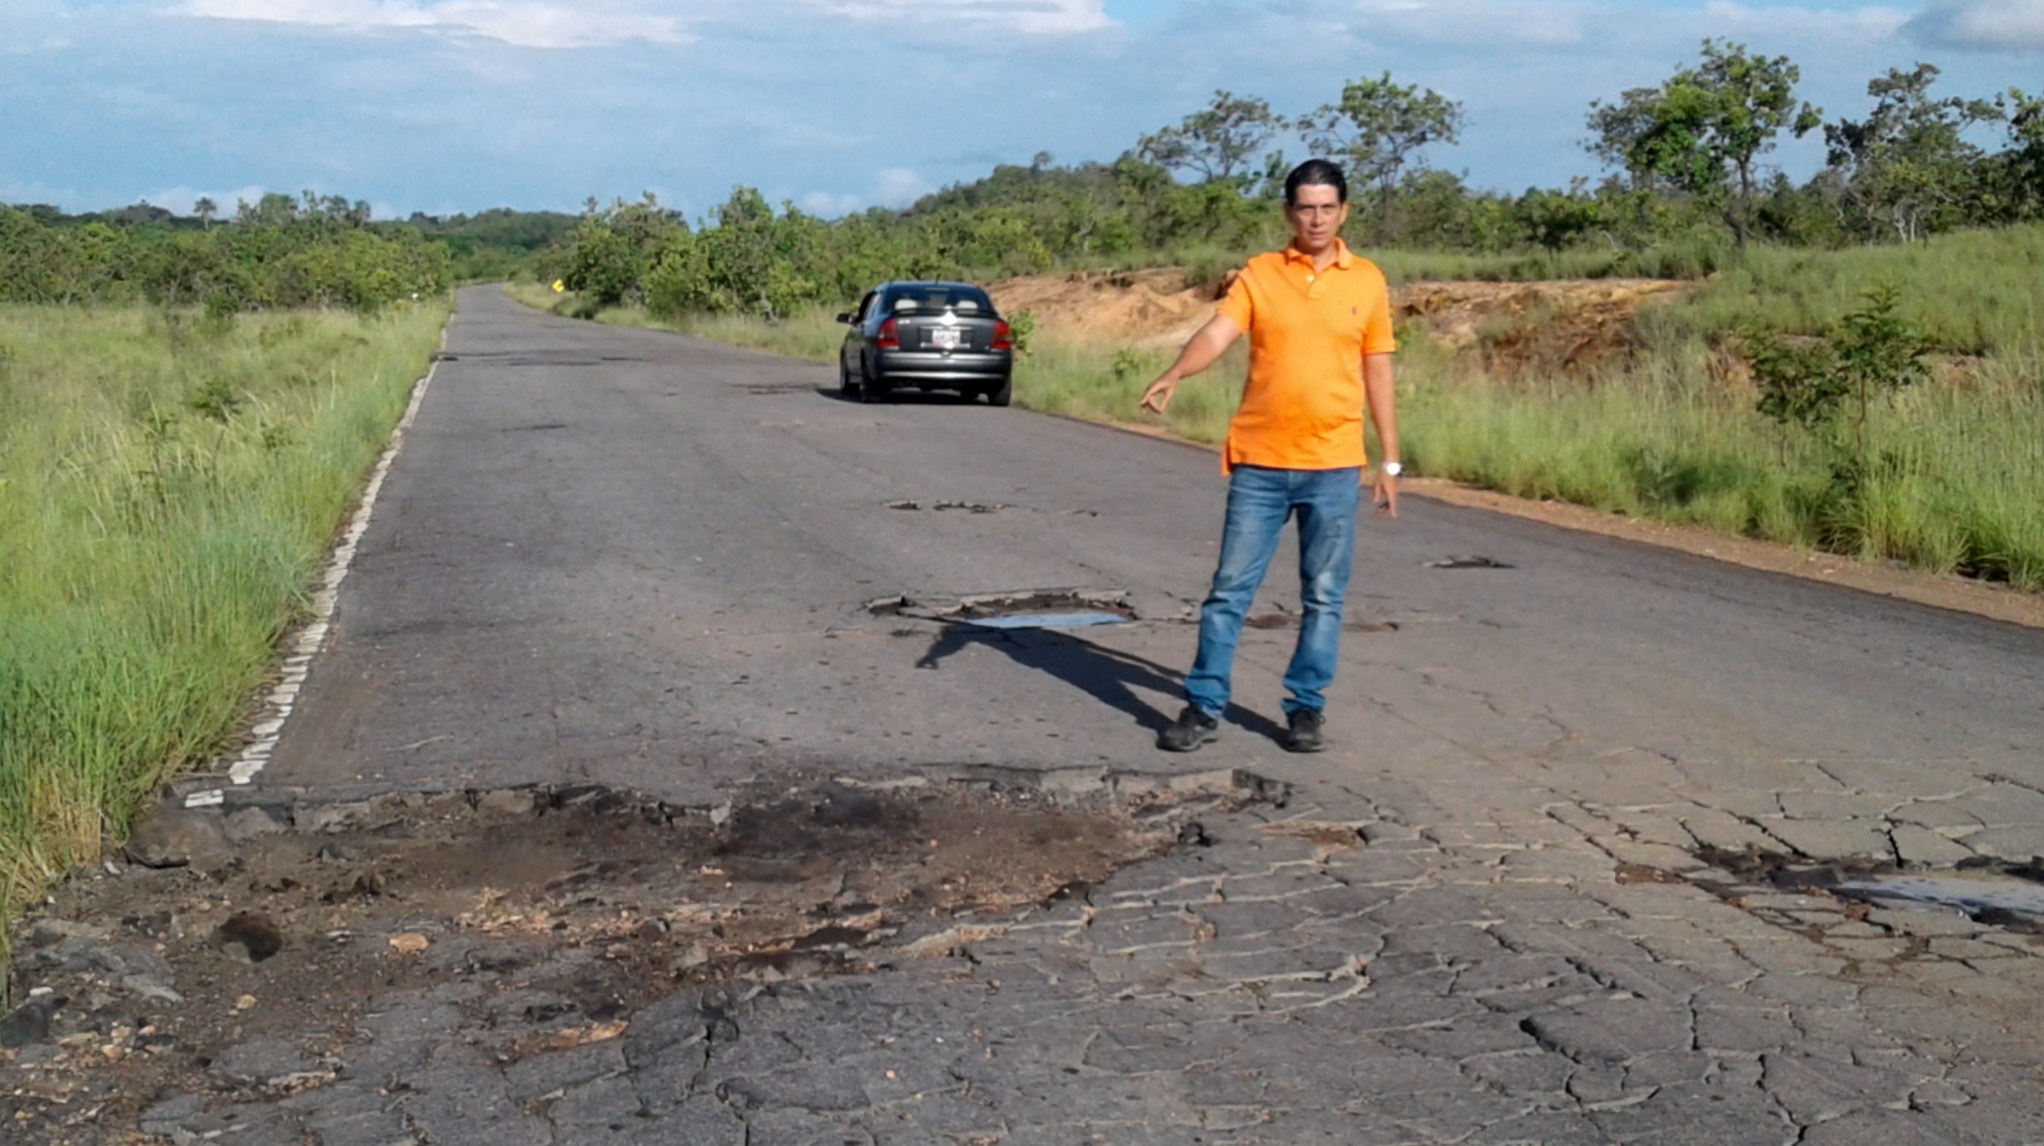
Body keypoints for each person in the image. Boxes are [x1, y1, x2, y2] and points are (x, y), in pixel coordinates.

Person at [1139, 158, 1401, 754]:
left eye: (1327, 207)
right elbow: (1218, 332)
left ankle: (1305, 709)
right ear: (1289, 213)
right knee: (1229, 590)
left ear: (1344, 211)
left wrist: (1389, 462)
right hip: (1260, 463)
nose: (1316, 218)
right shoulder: (1260, 274)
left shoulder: (1368, 281)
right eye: (1305, 208)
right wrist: (1177, 371)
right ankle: (1203, 706)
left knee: (1324, 596)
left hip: (1334, 465)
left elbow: (1378, 368)